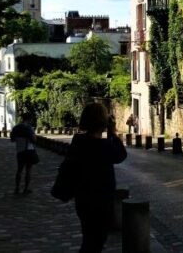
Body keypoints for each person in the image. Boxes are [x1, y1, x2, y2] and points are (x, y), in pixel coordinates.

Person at [69, 103, 127, 252]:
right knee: (96, 242)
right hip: (100, 201)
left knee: (89, 240)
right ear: (102, 122)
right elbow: (121, 155)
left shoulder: (78, 141)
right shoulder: (103, 145)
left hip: (82, 199)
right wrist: (112, 132)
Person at [11, 118, 37, 194]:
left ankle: (17, 188)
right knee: (28, 170)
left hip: (19, 150)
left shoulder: (16, 128)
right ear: (28, 120)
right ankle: (26, 188)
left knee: (19, 170)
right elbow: (34, 139)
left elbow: (12, 139)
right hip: (29, 150)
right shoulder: (29, 128)